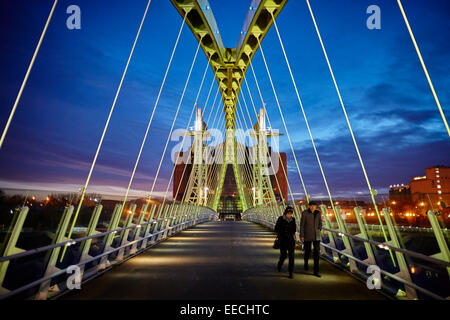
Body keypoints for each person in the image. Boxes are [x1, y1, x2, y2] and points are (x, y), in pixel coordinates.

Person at [300, 201, 322, 277]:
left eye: (314, 206)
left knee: (316, 253)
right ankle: (306, 263)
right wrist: (302, 235)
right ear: (309, 206)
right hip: (307, 235)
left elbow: (320, 223)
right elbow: (302, 225)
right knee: (307, 251)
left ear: (316, 206)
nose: (312, 207)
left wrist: (319, 229)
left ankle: (316, 271)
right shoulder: (305, 213)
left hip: (317, 236)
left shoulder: (318, 213)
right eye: (311, 206)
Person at [275, 206, 296, 279]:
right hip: (283, 241)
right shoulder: (280, 219)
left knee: (292, 257)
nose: (289, 215)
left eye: (291, 213)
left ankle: (291, 272)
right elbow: (276, 228)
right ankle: (279, 264)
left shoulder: (293, 220)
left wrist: (290, 232)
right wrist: (282, 233)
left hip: (290, 241)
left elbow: (294, 229)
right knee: (283, 255)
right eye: (288, 213)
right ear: (285, 213)